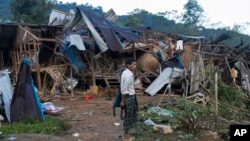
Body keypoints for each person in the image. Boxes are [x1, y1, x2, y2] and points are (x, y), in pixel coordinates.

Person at [120, 57, 138, 141]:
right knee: (128, 116)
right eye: (133, 65)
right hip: (129, 96)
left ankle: (127, 133)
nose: (135, 66)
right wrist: (123, 101)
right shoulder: (128, 75)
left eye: (135, 64)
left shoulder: (126, 72)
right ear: (128, 65)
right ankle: (126, 136)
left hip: (131, 95)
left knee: (131, 114)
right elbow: (124, 89)